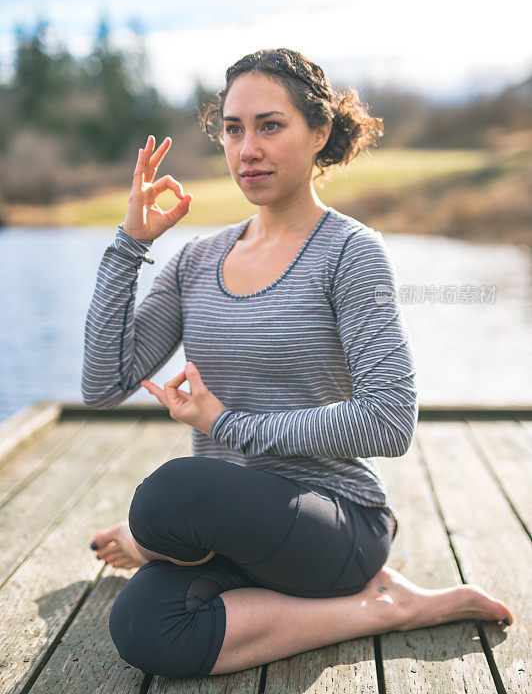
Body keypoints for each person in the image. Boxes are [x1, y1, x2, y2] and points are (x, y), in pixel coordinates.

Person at [81, 48, 513, 679]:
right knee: (142, 627)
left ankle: (163, 540)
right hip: (229, 527)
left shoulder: (351, 253)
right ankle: (386, 608)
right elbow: (102, 382)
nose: (246, 148)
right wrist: (130, 246)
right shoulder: (196, 261)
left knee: (166, 498)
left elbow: (389, 420)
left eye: (270, 125)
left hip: (335, 521)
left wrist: (229, 426)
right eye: (233, 129)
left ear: (320, 134)